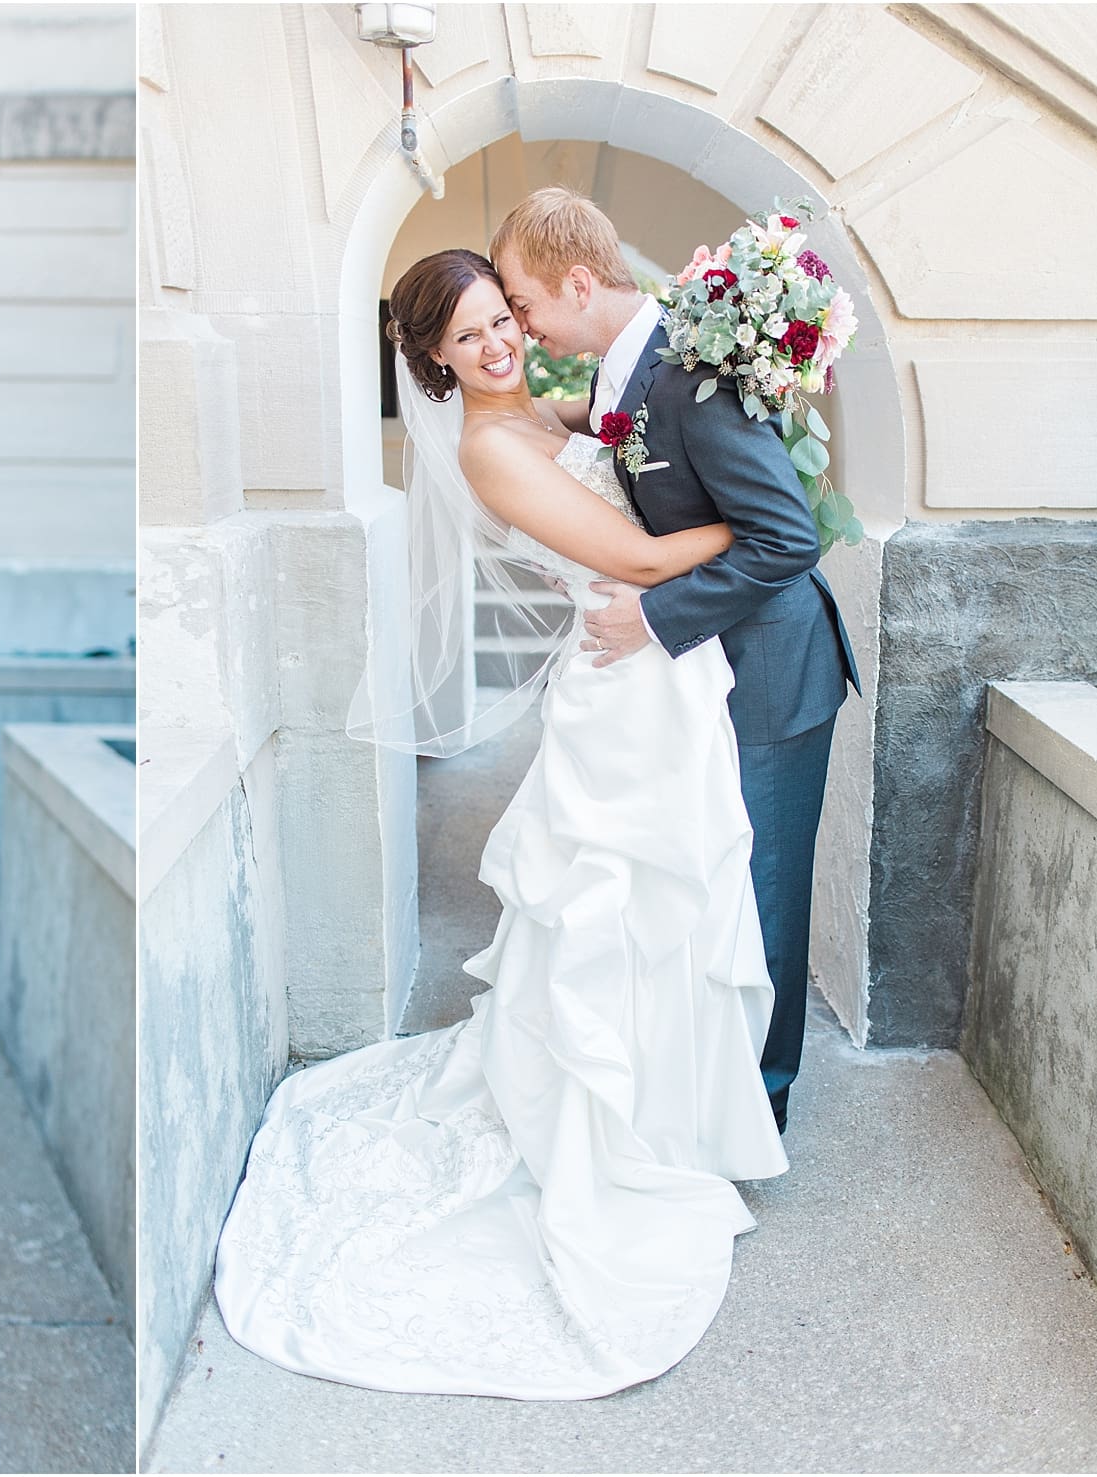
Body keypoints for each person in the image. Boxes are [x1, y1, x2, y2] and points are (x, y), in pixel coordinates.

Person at [214, 247, 794, 1399]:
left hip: (658, 672)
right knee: (610, 904)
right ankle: (610, 1123)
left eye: (501, 320)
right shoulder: (489, 447)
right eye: (470, 336)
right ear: (431, 357)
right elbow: (631, 554)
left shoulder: (547, 409)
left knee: (672, 898)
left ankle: (669, 1113)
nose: (497, 345)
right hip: (624, 677)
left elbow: (632, 410)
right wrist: (774, 524)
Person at [491, 187, 860, 1131]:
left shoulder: (688, 369)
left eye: (524, 304)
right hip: (709, 675)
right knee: (715, 887)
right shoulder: (629, 372)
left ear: (578, 282)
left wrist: (654, 618)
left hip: (772, 670)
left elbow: (783, 537)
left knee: (764, 894)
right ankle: (711, 1093)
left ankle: (760, 1112)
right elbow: (633, 448)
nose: (521, 324)